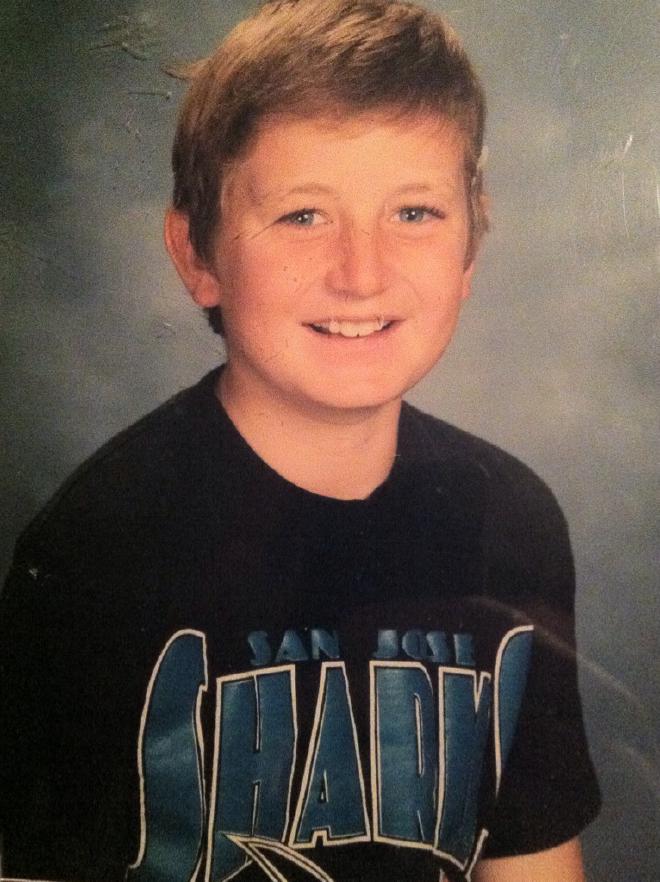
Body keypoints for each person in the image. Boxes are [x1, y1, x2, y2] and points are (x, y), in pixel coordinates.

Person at [0, 1, 600, 880]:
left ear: (472, 246)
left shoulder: (510, 519)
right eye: (303, 216)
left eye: (415, 212)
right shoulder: (97, 551)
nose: (362, 273)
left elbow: (531, 858)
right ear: (196, 255)